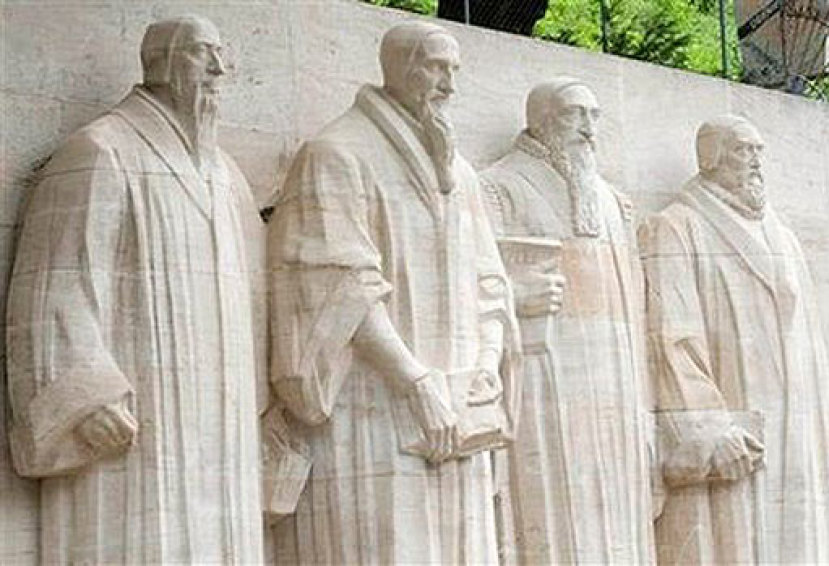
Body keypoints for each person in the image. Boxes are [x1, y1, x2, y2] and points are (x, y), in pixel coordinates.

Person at [6, 15, 266, 563]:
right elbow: (55, 287)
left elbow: (260, 301)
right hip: (140, 422)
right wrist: (85, 398)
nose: (220, 68)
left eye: (222, 54)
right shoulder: (101, 152)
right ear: (163, 65)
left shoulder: (227, 177)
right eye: (203, 53)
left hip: (223, 423)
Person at [267, 21, 520, 564]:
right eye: (435, 67)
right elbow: (340, 283)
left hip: (463, 405)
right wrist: (414, 382)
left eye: (455, 70)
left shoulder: (463, 175)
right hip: (376, 405)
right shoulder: (335, 153)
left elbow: (489, 280)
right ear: (398, 67)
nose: (449, 85)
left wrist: (486, 366)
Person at [640, 115, 829, 564]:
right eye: (742, 150)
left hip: (799, 422)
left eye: (758, 150)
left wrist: (825, 416)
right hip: (738, 420)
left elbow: (810, 337)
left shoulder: (784, 237)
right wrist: (709, 428)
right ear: (710, 159)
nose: (756, 161)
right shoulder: (676, 227)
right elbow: (671, 339)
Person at [480, 77, 656, 564]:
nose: (589, 127)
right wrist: (516, 296)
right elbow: (470, 284)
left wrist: (645, 412)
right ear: (539, 121)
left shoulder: (614, 202)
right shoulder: (498, 186)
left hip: (617, 389)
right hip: (542, 382)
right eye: (575, 114)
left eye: (595, 115)